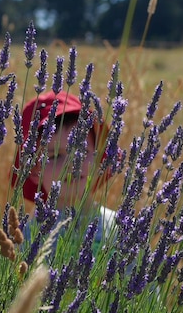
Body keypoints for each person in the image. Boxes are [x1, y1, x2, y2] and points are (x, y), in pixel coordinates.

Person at [12, 90, 116, 254]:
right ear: (33, 170)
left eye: (81, 151)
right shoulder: (24, 237)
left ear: (98, 160)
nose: (71, 164)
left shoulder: (118, 228)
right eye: (55, 156)